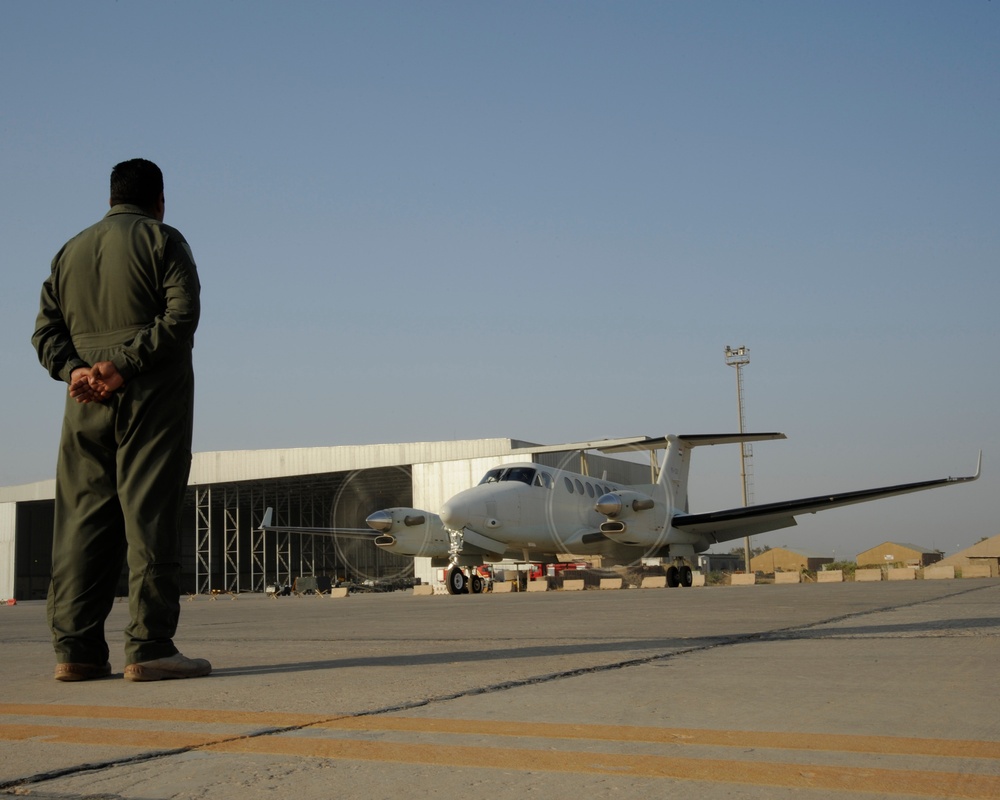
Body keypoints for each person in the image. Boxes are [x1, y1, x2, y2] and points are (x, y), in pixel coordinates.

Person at [32, 158, 211, 682]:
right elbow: (180, 316)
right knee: (148, 515)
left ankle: (77, 649)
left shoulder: (70, 251)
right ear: (159, 201)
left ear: (110, 200)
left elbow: (45, 334)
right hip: (149, 399)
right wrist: (124, 366)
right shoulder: (164, 241)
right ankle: (150, 645)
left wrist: (76, 370)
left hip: (83, 403)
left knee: (81, 523)